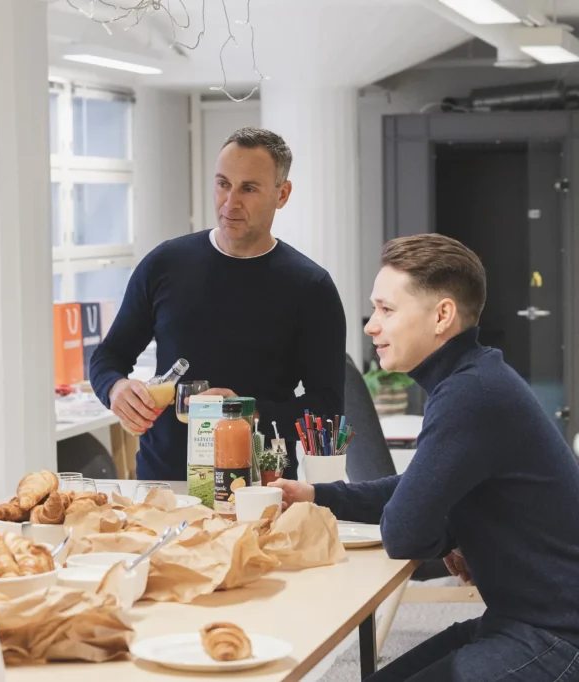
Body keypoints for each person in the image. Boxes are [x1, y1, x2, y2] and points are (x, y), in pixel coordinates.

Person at [271, 234, 579, 680]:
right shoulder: (472, 378)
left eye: (387, 309)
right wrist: (316, 494)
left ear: (442, 316)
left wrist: (449, 532)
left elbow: (404, 532)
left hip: (555, 636)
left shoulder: (470, 393)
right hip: (519, 620)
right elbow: (414, 489)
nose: (371, 325)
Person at [89, 126, 346, 481]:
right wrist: (116, 389)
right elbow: (108, 357)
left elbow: (328, 407)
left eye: (249, 188)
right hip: (166, 481)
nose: (230, 202)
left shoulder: (311, 287)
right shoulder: (165, 264)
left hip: (261, 483)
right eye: (223, 183)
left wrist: (249, 412)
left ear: (282, 194)